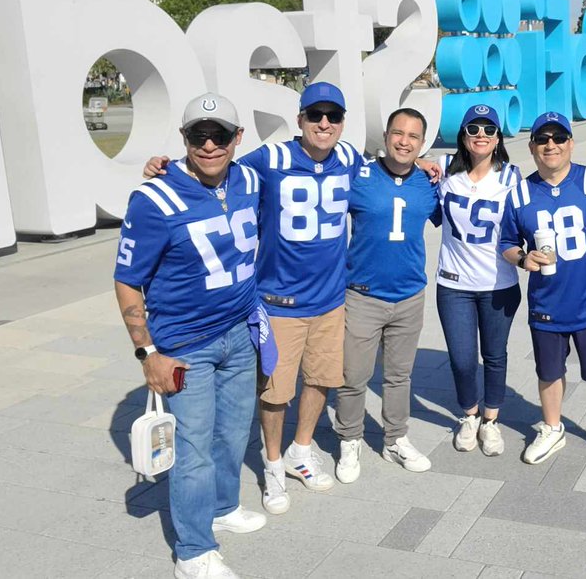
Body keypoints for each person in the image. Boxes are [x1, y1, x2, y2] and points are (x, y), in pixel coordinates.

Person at [141, 83, 440, 514]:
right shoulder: (272, 158)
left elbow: (392, 165)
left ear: (342, 123)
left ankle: (302, 450)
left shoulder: (351, 158)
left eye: (333, 116)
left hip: (331, 300)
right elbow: (215, 165)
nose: (324, 123)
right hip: (280, 301)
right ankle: (274, 464)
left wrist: (425, 161)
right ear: (300, 119)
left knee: (322, 379)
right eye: (315, 115)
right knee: (276, 392)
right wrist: (170, 166)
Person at [115, 93, 269, 579]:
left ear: (237, 139)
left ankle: (222, 507)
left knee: (231, 434)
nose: (208, 145)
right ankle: (193, 550)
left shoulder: (249, 178)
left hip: (239, 333)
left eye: (219, 135)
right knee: (195, 449)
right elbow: (126, 279)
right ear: (183, 140)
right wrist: (148, 353)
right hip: (185, 347)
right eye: (197, 135)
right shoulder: (154, 197)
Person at [499, 111, 586, 471]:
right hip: (546, 302)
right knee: (549, 371)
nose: (551, 145)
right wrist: (521, 259)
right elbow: (507, 242)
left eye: (558, 137)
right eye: (543, 139)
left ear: (571, 143)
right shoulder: (519, 193)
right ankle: (552, 427)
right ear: (531, 147)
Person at [335, 108, 442, 481]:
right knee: (353, 375)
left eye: (413, 137)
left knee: (399, 376)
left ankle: (395, 438)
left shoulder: (429, 184)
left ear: (422, 142)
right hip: (362, 294)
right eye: (398, 133)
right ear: (385, 136)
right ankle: (349, 440)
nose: (404, 142)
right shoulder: (358, 175)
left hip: (409, 295)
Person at [435, 105, 523, 456]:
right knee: (461, 358)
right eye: (474, 128)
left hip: (498, 283)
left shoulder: (512, 177)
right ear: (464, 136)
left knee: (495, 355)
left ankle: (490, 420)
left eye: (489, 129)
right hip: (453, 283)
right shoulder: (443, 170)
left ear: (498, 138)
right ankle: (469, 414)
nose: (481, 135)